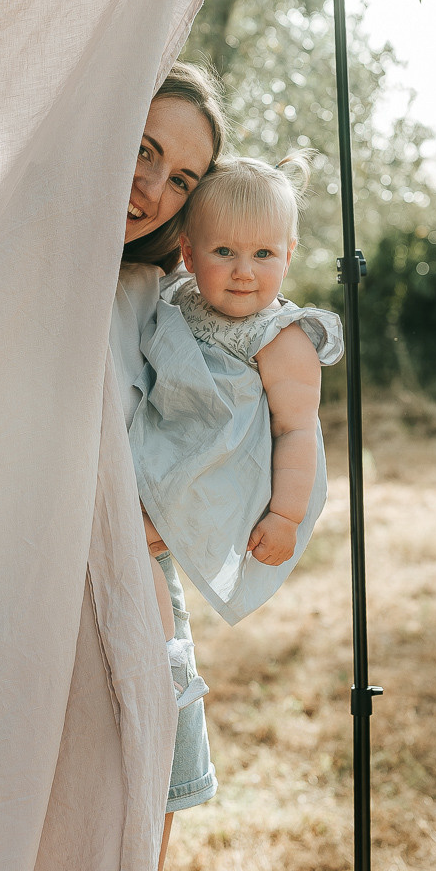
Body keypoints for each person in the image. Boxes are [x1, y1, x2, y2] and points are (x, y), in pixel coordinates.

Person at [130, 155, 344, 632]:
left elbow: (296, 429)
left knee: (128, 542)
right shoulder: (180, 296)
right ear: (188, 254)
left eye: (263, 254)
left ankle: (162, 650)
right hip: (173, 439)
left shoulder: (281, 337)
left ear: (288, 255)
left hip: (225, 468)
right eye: (223, 251)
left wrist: (286, 516)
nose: (244, 271)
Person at [109, 60, 228, 871]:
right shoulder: (0, 275)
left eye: (180, 177)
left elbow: (230, 429)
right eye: (142, 149)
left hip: (141, 586)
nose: (151, 187)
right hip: (15, 594)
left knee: (142, 829)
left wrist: (172, 514)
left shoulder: (158, 296)